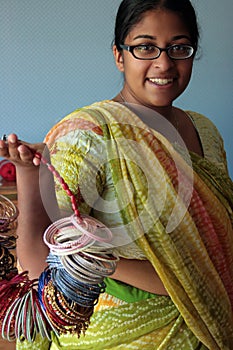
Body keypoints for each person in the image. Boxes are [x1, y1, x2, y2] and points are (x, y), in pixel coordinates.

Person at [0, 0, 233, 349]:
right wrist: (28, 176)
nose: (164, 63)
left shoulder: (205, 130)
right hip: (118, 336)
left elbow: (217, 238)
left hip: (211, 324)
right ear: (119, 55)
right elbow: (38, 269)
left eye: (179, 48)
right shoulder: (85, 136)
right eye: (145, 47)